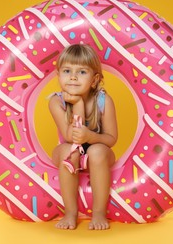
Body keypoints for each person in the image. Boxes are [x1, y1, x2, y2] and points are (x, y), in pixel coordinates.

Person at [49, 44, 118, 230]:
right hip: (70, 147)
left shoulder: (103, 101)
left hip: (99, 150)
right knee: (67, 152)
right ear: (58, 75)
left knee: (96, 152)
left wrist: (91, 136)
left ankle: (98, 213)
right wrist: (78, 103)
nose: (73, 76)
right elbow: (71, 137)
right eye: (67, 70)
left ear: (94, 79)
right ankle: (70, 213)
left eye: (81, 72)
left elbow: (111, 139)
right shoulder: (56, 102)